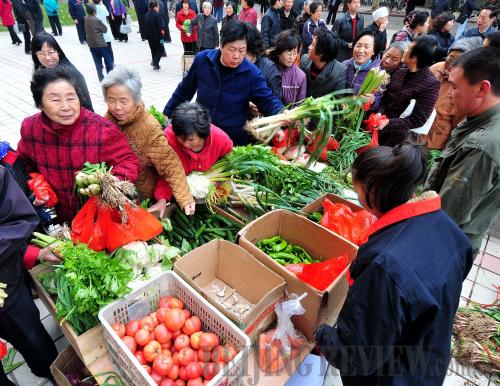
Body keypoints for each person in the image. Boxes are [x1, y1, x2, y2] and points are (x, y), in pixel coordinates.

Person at [315, 144, 473, 386]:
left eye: (357, 191)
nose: (357, 198)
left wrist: (321, 333)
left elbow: (355, 355)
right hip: (428, 359)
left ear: (374, 190)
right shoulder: (451, 231)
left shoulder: (384, 266)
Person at [17, 66, 140, 223]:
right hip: (57, 217)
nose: (66, 106)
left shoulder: (102, 130)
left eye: (71, 98)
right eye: (55, 100)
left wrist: (112, 183)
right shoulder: (30, 128)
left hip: (97, 216)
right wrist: (37, 182)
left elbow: (128, 161)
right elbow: (24, 164)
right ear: (40, 103)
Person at [425, 47, 500, 254]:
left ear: (482, 89)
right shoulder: (480, 121)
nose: (448, 95)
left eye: (454, 87)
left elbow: (446, 215)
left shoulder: (480, 147)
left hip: (445, 245)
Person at [163, 22, 284, 145]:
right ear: (221, 46)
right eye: (232, 49)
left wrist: (282, 112)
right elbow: (184, 90)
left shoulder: (251, 73)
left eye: (242, 51)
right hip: (202, 135)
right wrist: (167, 112)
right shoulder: (203, 60)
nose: (237, 56)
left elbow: (267, 100)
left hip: (232, 140)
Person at [102, 66, 195, 216]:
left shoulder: (149, 127)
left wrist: (185, 199)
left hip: (142, 196)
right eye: (111, 100)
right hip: (113, 194)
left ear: (136, 98)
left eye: (124, 101)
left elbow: (169, 164)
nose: (117, 107)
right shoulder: (105, 122)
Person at [0, 166, 61, 386]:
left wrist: (36, 254)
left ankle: (52, 373)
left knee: (31, 337)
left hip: (3, 286)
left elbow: (16, 223)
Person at [154, 102, 233, 215]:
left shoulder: (220, 139)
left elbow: (228, 163)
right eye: (181, 138)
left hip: (210, 195)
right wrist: (162, 199)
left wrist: (216, 182)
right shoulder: (167, 140)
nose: (185, 144)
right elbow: (164, 173)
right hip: (177, 195)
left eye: (191, 139)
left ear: (204, 134)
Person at [378, 35, 440, 147]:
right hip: (379, 126)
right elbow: (385, 97)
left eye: (408, 48)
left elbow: (418, 119)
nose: (405, 50)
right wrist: (380, 113)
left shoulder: (431, 85)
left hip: (399, 138)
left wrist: (389, 122)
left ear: (414, 58)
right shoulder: (400, 71)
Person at [422, 37, 482, 150]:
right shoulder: (435, 68)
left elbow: (458, 125)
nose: (452, 64)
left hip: (434, 144)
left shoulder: (466, 86)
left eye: (459, 62)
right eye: (451, 58)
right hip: (415, 132)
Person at [31, 32, 94, 111]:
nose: (47, 57)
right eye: (41, 53)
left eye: (50, 52)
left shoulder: (69, 73)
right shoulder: (42, 70)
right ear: (35, 55)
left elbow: (85, 105)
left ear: (58, 52)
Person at [300, 27, 347, 97]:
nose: (309, 47)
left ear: (321, 52)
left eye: (312, 44)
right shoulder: (304, 59)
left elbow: (336, 101)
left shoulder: (340, 71)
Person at [342, 30, 382, 109]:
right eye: (358, 45)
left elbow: (377, 105)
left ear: (373, 51)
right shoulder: (344, 65)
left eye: (366, 47)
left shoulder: (378, 75)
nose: (360, 50)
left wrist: (372, 100)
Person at [246, 23, 282, 100]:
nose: (236, 55)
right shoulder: (232, 64)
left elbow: (275, 98)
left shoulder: (269, 68)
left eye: (241, 50)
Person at [269, 30, 307, 104]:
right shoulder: (268, 69)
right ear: (278, 52)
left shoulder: (300, 76)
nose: (292, 58)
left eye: (295, 53)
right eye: (289, 53)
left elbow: (300, 104)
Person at [85, 3, 114, 81]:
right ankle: (110, 76)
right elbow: (105, 29)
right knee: (108, 60)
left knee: (97, 62)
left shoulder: (86, 19)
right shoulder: (96, 19)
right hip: (100, 44)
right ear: (94, 11)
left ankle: (100, 77)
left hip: (91, 44)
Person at [145, 0, 165, 70]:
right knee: (161, 50)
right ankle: (155, 62)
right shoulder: (157, 15)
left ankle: (156, 65)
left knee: (153, 50)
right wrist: (162, 37)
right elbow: (161, 27)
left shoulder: (147, 15)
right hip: (158, 37)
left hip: (150, 37)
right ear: (156, 6)